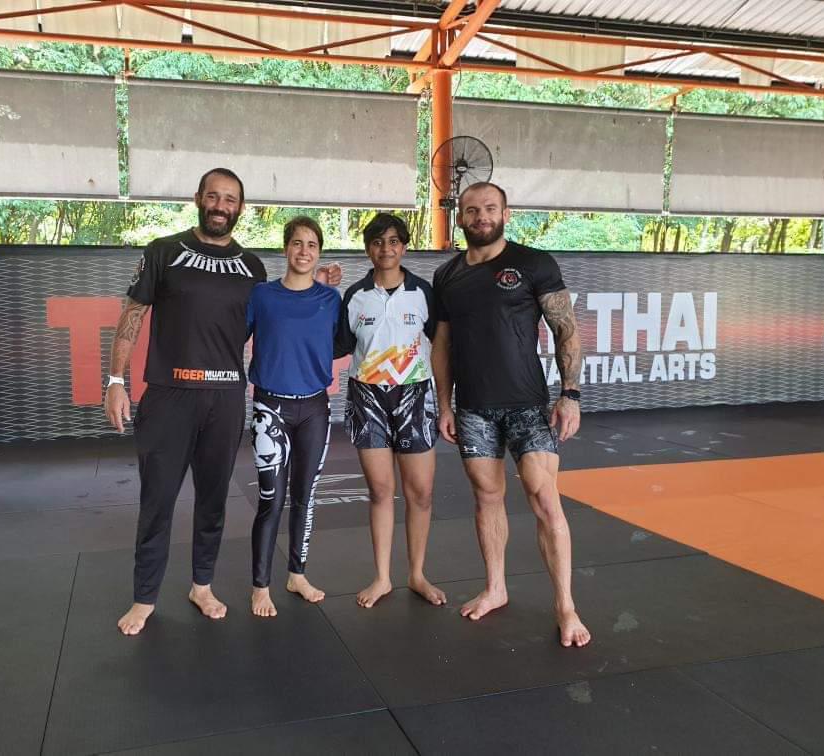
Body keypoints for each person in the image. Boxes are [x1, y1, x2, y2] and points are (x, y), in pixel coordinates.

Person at [105, 169, 340, 635]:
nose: (220, 205)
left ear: (240, 208)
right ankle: (144, 598)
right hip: (169, 395)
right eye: (213, 196)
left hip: (226, 398)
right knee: (158, 501)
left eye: (230, 199)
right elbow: (133, 313)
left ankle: (202, 586)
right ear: (198, 198)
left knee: (214, 500)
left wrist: (318, 285)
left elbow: (278, 316)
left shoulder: (252, 268)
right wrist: (115, 380)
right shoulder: (164, 251)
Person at [431, 181, 591, 647]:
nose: (480, 216)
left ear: (506, 213)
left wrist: (570, 394)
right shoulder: (447, 275)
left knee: (545, 499)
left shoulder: (534, 263)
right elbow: (442, 344)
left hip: (527, 405)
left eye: (489, 208)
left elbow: (565, 328)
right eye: (471, 210)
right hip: (473, 408)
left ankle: (566, 607)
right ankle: (496, 588)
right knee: (487, 497)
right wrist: (445, 404)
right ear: (460, 217)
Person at [335, 213, 445, 609]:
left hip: (415, 395)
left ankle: (417, 574)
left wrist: (446, 401)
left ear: (404, 246)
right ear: (368, 249)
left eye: (394, 241)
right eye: (378, 242)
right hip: (368, 398)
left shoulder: (423, 293)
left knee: (421, 493)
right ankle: (382, 577)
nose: (386, 249)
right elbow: (337, 346)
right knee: (381, 491)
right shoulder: (355, 296)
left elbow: (442, 346)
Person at [245, 216, 340, 617]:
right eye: (297, 243)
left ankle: (296, 575)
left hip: (315, 408)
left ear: (319, 252)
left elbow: (339, 344)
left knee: (305, 496)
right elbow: (232, 338)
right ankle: (260, 586)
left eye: (312, 245)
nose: (304, 251)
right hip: (271, 408)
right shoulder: (262, 295)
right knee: (271, 499)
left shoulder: (331, 299)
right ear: (286, 248)